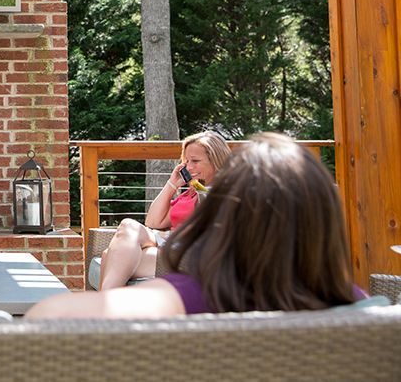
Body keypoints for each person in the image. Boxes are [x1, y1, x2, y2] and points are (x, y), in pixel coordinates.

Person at [27, 133, 363, 318]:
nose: (188, 166)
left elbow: (52, 313)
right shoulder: (361, 308)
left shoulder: (207, 295)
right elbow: (153, 221)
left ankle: (108, 293)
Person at [97, 130, 231, 290]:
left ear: (217, 161)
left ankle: (103, 304)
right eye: (186, 161)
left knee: (110, 256)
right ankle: (107, 305)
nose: (189, 166)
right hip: (166, 243)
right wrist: (172, 184)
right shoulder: (192, 192)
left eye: (195, 161)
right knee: (128, 226)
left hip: (184, 253)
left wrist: (167, 235)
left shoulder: (222, 193)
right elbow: (153, 221)